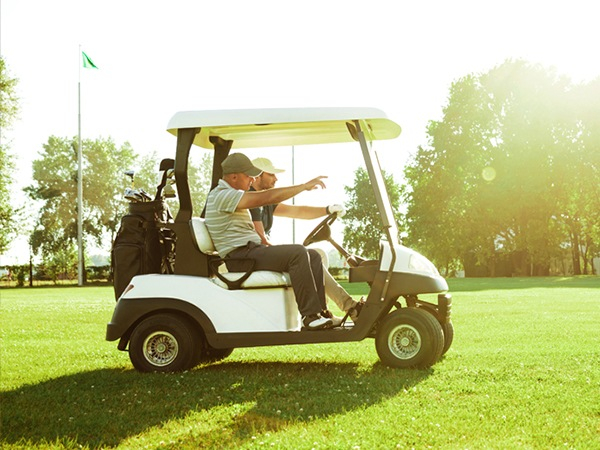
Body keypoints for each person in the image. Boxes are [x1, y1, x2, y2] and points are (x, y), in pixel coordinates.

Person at [204, 152, 333, 330]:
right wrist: (303, 186)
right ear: (234, 176)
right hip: (240, 258)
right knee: (297, 252)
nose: (252, 179)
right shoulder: (222, 195)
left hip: (249, 253)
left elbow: (289, 208)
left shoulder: (231, 194)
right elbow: (267, 197)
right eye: (248, 175)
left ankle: (321, 314)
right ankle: (309, 317)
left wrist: (327, 209)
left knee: (313, 255)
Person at [250, 157, 363, 326]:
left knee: (317, 255)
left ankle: (324, 313)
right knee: (301, 254)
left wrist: (327, 210)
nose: (276, 179)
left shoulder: (265, 201)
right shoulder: (252, 199)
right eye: (271, 174)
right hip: (255, 254)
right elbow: (261, 240)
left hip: (263, 253)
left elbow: (299, 211)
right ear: (258, 175)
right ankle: (349, 308)